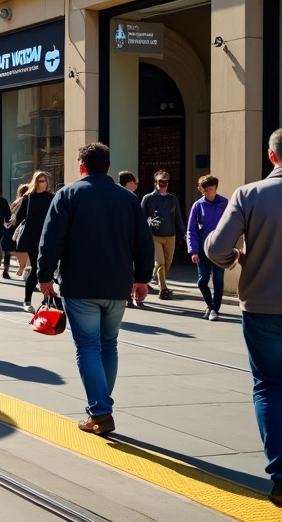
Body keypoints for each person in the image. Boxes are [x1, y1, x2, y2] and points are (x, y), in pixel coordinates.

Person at [37, 142, 153, 437]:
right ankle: (100, 408)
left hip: (80, 283)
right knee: (109, 344)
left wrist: (44, 275)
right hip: (117, 285)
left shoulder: (69, 194)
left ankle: (100, 411)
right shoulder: (128, 198)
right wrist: (142, 279)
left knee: (88, 345)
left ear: (81, 166)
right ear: (109, 167)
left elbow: (52, 238)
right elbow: (143, 242)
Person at [205, 132, 282, 507]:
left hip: (262, 304)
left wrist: (235, 258)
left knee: (268, 385)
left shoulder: (249, 195)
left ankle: (280, 476)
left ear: (271, 155)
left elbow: (216, 248)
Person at [187, 174, 228, 321]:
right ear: (201, 190)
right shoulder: (198, 205)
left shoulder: (225, 203)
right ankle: (210, 305)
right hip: (203, 249)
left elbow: (232, 225)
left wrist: (231, 245)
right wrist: (193, 250)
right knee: (202, 280)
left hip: (220, 249)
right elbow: (191, 229)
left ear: (216, 188)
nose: (209, 192)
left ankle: (214, 309)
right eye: (206, 190)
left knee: (218, 280)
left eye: (211, 189)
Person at [142, 170, 186, 300]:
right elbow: (141, 217)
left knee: (167, 263)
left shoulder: (172, 199)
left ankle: (154, 279)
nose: (164, 185)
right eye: (161, 182)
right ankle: (163, 289)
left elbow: (178, 218)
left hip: (170, 236)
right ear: (156, 183)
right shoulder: (148, 198)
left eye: (166, 182)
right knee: (160, 262)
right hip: (154, 235)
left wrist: (182, 234)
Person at [14, 171, 54, 313]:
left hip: (48, 238)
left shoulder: (52, 198)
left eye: (44, 181)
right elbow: (19, 216)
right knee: (36, 269)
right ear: (35, 182)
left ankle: (47, 299)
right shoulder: (29, 197)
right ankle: (27, 300)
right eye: (39, 181)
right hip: (32, 238)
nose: (42, 183)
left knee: (47, 269)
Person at [2, 183, 31, 279]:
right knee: (24, 250)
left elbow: (11, 214)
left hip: (13, 228)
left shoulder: (16, 202)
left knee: (8, 250)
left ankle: (6, 269)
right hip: (22, 228)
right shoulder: (27, 201)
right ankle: (24, 269)